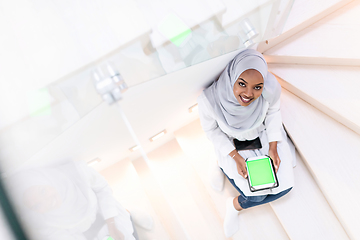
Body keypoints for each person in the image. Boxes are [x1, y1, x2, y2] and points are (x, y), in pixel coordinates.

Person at [197, 49, 295, 237]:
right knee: (256, 195)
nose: (249, 94)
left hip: (264, 136)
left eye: (257, 87)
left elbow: (274, 112)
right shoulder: (209, 101)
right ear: (232, 77)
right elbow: (211, 130)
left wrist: (273, 147)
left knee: (285, 187)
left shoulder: (271, 87)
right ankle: (234, 205)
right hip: (232, 145)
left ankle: (233, 185)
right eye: (242, 84)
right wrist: (235, 157)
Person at [6, 160, 152, 240]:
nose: (47, 201)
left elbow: (103, 189)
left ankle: (130, 213)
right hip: (88, 236)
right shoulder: (43, 224)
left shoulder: (77, 172)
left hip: (110, 217)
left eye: (43, 191)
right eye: (37, 205)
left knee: (127, 234)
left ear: (49, 181)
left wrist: (112, 226)